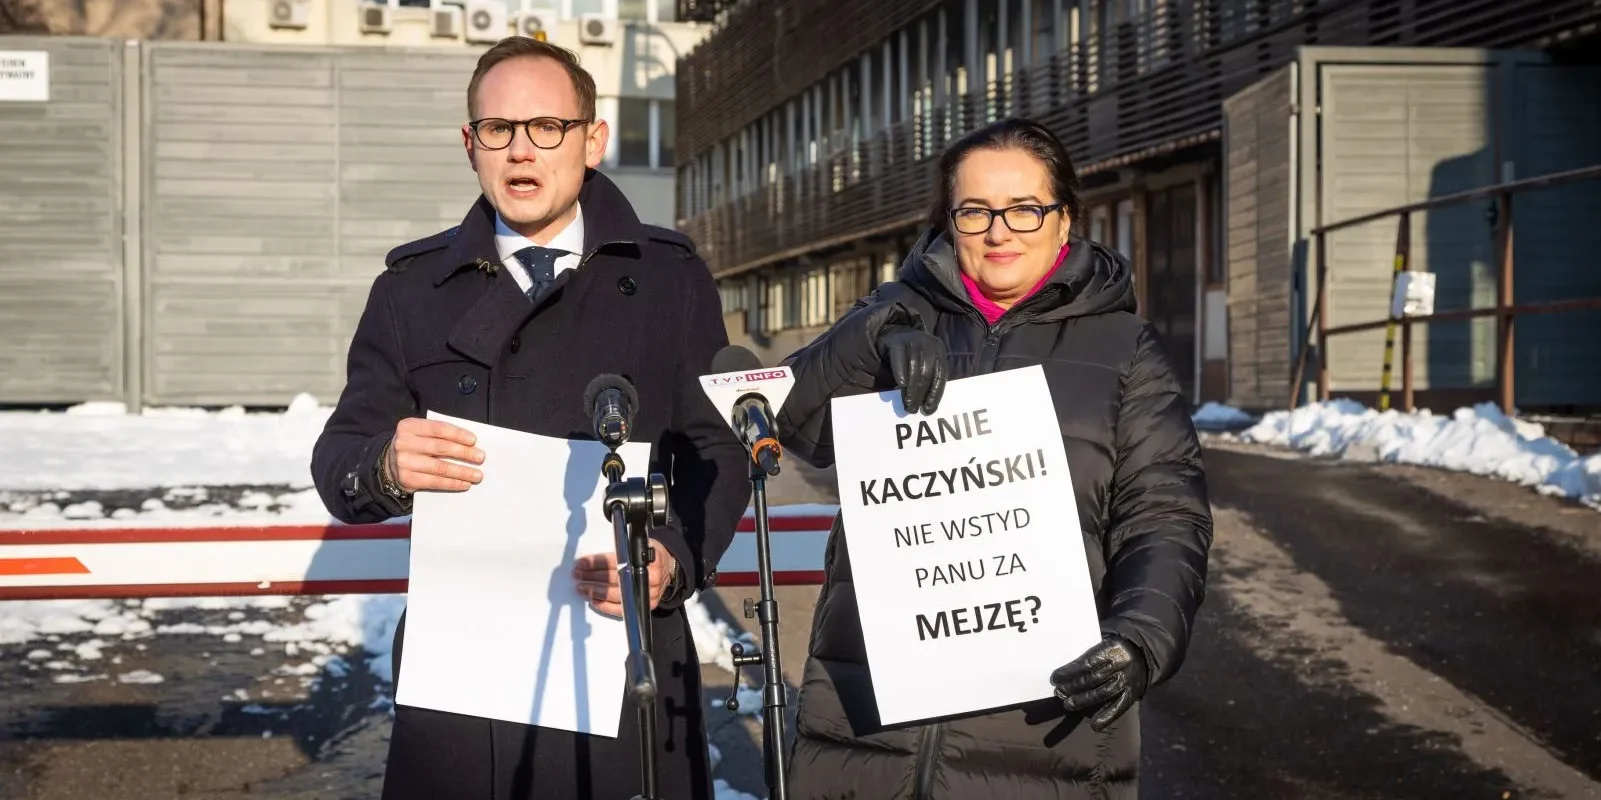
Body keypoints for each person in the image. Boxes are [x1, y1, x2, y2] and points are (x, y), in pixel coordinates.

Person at [309, 36, 751, 800]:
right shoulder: (412, 291)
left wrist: (673, 558)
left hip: (621, 654)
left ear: (591, 138)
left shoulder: (668, 279)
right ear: (469, 144)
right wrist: (383, 463)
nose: (521, 151)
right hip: (464, 675)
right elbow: (339, 458)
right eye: (497, 130)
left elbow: (716, 449)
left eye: (546, 127)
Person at [774, 118, 1213, 799]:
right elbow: (786, 421)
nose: (998, 231)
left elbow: (1163, 514)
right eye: (975, 210)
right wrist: (875, 338)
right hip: (865, 712)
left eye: (1024, 209)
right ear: (949, 221)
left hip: (1041, 718)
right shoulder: (893, 313)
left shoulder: (1124, 350)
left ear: (1063, 220)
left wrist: (1140, 638)